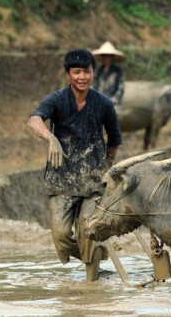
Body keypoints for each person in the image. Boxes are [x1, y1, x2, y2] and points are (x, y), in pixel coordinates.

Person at [27, 49, 123, 281]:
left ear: (93, 73)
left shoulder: (103, 104)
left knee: (87, 230)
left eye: (86, 71)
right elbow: (34, 119)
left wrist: (107, 169)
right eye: (76, 72)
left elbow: (114, 139)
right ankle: (96, 256)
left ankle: (91, 284)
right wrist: (50, 138)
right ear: (68, 74)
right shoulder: (57, 100)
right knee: (60, 236)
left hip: (93, 181)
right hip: (61, 180)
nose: (82, 77)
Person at [92, 41, 125, 106]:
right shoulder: (98, 70)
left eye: (108, 56)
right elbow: (94, 85)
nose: (106, 58)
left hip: (113, 103)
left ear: (112, 57)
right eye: (104, 56)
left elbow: (120, 88)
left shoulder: (118, 71)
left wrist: (113, 100)